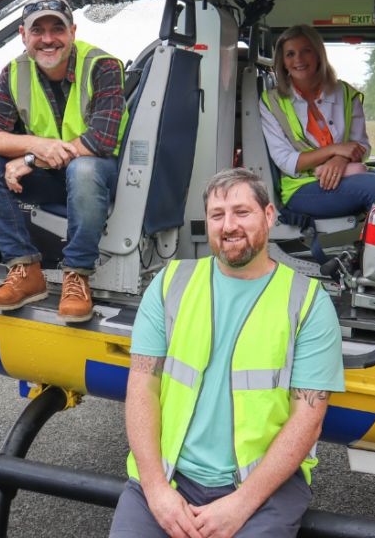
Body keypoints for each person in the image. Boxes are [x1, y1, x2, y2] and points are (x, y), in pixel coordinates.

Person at [110, 168, 345, 538]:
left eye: (242, 212)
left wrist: (241, 504)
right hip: (169, 478)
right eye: (217, 215)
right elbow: (141, 389)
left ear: (268, 216)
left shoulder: (308, 304)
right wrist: (156, 490)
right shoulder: (170, 283)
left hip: (261, 488)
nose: (228, 225)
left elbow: (307, 421)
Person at [0, 0, 129, 321]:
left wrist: (31, 159)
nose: (47, 39)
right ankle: (26, 270)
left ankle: (76, 276)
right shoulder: (13, 72)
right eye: (37, 30)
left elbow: (100, 140)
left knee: (83, 169)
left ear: (72, 31)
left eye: (57, 29)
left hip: (101, 176)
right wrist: (36, 145)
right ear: (23, 35)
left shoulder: (103, 66)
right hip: (57, 177)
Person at [259, 24, 375, 218]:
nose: (298, 59)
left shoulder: (344, 92)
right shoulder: (271, 101)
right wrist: (334, 150)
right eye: (290, 54)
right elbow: (286, 161)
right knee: (374, 185)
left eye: (306, 51)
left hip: (346, 173)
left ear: (318, 55)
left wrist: (340, 159)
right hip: (302, 187)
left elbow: (362, 147)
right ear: (283, 62)